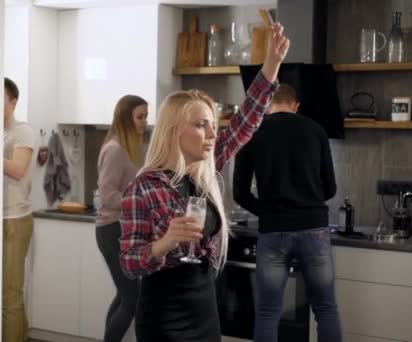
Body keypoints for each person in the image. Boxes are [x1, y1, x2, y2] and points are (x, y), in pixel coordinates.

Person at [119, 23, 290, 342]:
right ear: (173, 131)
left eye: (212, 125)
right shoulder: (143, 188)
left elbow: (245, 123)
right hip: (164, 320)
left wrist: (271, 65)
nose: (212, 135)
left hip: (205, 314)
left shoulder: (204, 173)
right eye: (201, 126)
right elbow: (130, 263)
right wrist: (166, 242)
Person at [233, 84, 342, 342]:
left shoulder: (253, 132)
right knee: (325, 308)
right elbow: (330, 188)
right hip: (314, 230)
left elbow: (239, 192)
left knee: (268, 312)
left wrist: (268, 211)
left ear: (266, 106)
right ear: (296, 106)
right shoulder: (315, 130)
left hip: (273, 231)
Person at [96, 94, 148, 342]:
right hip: (112, 229)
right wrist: (138, 202)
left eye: (145, 116)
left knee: (123, 294)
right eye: (140, 117)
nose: (144, 122)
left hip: (122, 228)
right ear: (125, 118)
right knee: (132, 298)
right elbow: (107, 195)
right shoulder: (115, 149)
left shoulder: (127, 147)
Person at [3, 77, 34, 342]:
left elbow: (18, 170)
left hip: (14, 219)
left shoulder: (22, 131)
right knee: (8, 293)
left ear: (13, 102)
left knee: (9, 297)